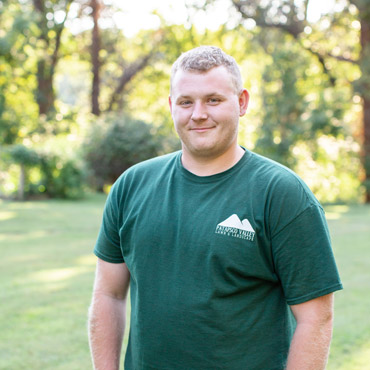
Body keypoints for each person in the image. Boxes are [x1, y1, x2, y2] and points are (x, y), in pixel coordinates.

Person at [88, 46, 343, 370]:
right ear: (171, 107)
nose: (198, 114)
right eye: (185, 102)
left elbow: (316, 318)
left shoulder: (282, 193)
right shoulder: (131, 186)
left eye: (213, 100)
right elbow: (108, 295)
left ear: (241, 102)